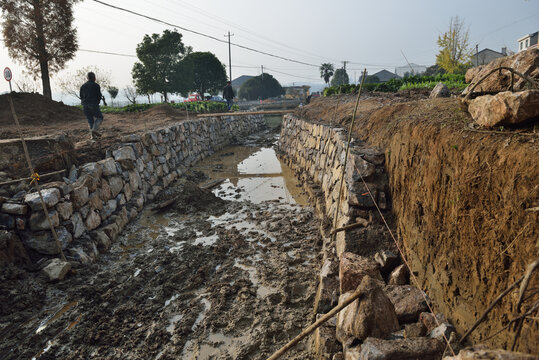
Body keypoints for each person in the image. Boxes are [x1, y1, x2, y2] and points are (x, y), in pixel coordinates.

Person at [80, 72, 104, 140]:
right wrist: (98, 101)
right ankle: (94, 129)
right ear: (94, 78)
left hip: (85, 105)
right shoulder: (96, 85)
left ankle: (93, 137)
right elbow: (99, 95)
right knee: (100, 117)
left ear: (87, 78)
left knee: (90, 119)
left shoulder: (83, 86)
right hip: (93, 104)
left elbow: (81, 96)